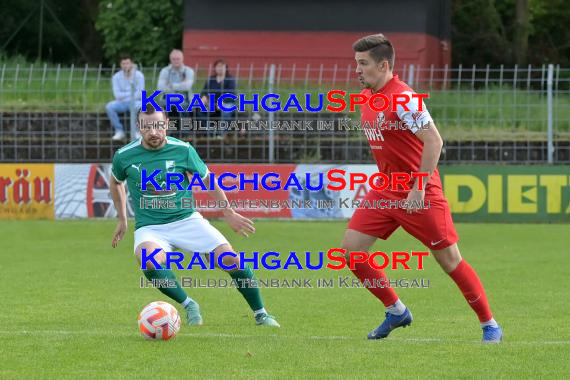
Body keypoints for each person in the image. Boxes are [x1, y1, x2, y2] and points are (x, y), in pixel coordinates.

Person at [342, 34, 502, 343]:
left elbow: (434, 140)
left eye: (363, 64)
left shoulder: (403, 97)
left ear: (384, 65)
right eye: (356, 64)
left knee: (449, 260)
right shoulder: (367, 98)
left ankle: (489, 324)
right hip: (386, 190)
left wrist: (417, 187)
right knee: (351, 252)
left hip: (421, 193)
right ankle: (396, 310)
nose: (357, 71)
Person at [109, 104, 280, 327]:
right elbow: (115, 181)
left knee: (231, 260)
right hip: (151, 227)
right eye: (147, 126)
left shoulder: (183, 150)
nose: (153, 132)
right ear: (139, 127)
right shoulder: (124, 156)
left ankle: (261, 313)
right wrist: (122, 218)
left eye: (158, 126)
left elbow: (208, 180)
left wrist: (228, 211)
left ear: (167, 125)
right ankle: (189, 304)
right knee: (148, 260)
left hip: (187, 220)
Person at [106, 54, 145, 141]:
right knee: (109, 107)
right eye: (123, 63)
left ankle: (137, 131)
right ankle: (119, 130)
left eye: (127, 63)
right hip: (122, 102)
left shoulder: (139, 76)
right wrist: (130, 94)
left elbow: (140, 93)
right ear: (120, 65)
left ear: (131, 63)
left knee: (140, 106)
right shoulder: (116, 77)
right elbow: (117, 95)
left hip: (136, 101)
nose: (125, 66)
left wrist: (125, 95)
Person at [157, 49, 195, 134]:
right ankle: (164, 131)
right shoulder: (165, 71)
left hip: (185, 99)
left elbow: (187, 86)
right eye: (174, 59)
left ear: (182, 59)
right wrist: (181, 85)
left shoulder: (189, 71)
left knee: (183, 106)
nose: (176, 61)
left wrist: (172, 85)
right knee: (160, 107)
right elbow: (160, 87)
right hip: (167, 99)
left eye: (178, 59)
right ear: (170, 60)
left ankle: (186, 133)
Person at [199, 59, 237, 140]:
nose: (220, 68)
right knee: (198, 108)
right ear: (215, 68)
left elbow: (231, 94)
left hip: (226, 102)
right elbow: (205, 92)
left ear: (226, 68)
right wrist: (203, 99)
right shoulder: (211, 79)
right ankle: (211, 130)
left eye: (222, 66)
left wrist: (221, 102)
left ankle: (221, 133)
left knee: (226, 109)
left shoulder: (230, 79)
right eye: (218, 66)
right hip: (212, 102)